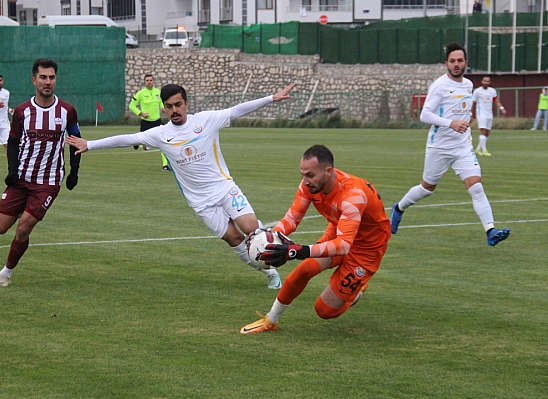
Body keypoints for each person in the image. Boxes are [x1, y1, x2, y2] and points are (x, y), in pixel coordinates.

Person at [66, 83, 296, 290]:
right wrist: (91, 144)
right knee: (234, 239)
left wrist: (270, 98)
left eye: (178, 104)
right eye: (169, 106)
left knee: (252, 229)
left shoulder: (206, 120)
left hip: (225, 189)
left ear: (186, 103)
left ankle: (273, 249)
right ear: (164, 108)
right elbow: (127, 139)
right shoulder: (160, 134)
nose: (174, 110)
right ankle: (270, 273)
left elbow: (237, 110)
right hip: (201, 203)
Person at [240, 144, 391, 334]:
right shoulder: (309, 186)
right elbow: (292, 219)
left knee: (324, 310)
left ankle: (357, 289)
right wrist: (270, 238)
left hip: (368, 247)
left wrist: (298, 251)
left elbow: (344, 246)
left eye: (310, 175)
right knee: (304, 270)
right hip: (340, 230)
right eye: (303, 174)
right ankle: (270, 320)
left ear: (328, 172)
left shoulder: (352, 195)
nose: (305, 181)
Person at [390, 42, 510, 247]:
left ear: (466, 63)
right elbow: (424, 114)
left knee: (477, 187)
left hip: (462, 146)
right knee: (427, 188)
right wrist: (450, 123)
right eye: (452, 61)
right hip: (439, 147)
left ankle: (491, 231)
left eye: (460, 61)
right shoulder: (439, 85)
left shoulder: (469, 85)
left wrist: (465, 120)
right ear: (446, 63)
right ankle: (399, 208)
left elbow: (461, 108)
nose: (456, 64)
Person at [0, 59, 81, 288]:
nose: (47, 82)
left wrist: (73, 173)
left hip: (48, 182)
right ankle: (26, 212)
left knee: (23, 228)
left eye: (51, 77)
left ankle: (5, 273)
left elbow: (75, 142)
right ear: (34, 80)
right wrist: (11, 171)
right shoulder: (22, 111)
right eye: (43, 77)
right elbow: (12, 143)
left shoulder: (67, 111)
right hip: (21, 178)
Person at [129, 73, 170, 171]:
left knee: (164, 142)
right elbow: (132, 106)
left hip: (157, 121)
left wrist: (163, 108)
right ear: (144, 82)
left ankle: (165, 165)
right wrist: (141, 113)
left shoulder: (158, 92)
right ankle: (137, 144)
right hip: (146, 123)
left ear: (154, 81)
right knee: (145, 147)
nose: (149, 82)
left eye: (150, 80)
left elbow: (161, 103)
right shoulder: (141, 93)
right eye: (147, 81)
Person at [471, 77, 506, 156]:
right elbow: (472, 102)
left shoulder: (492, 91)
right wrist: (470, 113)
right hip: (481, 113)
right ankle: (484, 150)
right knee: (483, 131)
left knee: (487, 132)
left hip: (489, 113)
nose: (486, 83)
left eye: (488, 81)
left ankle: (478, 149)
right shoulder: (477, 91)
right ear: (482, 81)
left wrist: (501, 108)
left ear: (489, 82)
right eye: (485, 81)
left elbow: (496, 101)